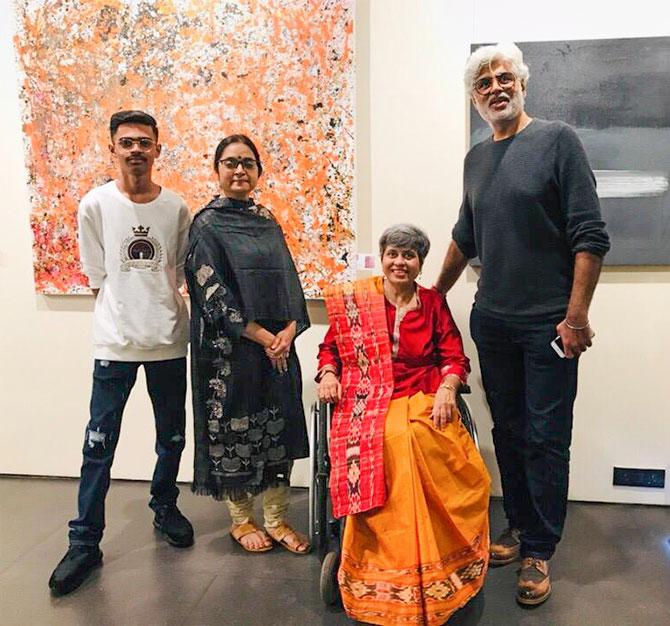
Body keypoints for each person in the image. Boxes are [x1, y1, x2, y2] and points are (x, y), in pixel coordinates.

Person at [435, 43, 611, 606]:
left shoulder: (558, 142)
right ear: (474, 98)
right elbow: (466, 234)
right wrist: (432, 296)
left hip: (549, 327)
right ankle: (517, 524)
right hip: (494, 321)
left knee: (546, 437)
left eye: (503, 77)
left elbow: (590, 234)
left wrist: (575, 316)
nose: (494, 87)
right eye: (483, 82)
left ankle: (539, 547)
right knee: (508, 431)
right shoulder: (476, 158)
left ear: (523, 84)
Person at [48, 110, 193, 596]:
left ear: (157, 149)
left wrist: (157, 313)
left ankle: (164, 505)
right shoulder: (94, 205)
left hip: (169, 340)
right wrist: (119, 321)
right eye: (126, 142)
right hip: (115, 343)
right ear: (112, 148)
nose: (135, 150)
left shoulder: (176, 207)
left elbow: (177, 272)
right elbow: (97, 278)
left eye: (144, 142)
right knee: (98, 445)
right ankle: (84, 542)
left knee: (171, 438)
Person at [317, 224, 490, 625]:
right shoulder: (359, 299)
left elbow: (454, 356)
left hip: (422, 392)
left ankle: (440, 556)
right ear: (383, 257)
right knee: (393, 438)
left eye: (409, 256)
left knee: (423, 438)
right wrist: (328, 374)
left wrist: (449, 387)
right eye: (393, 253)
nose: (400, 262)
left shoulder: (431, 303)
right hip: (366, 393)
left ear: (420, 263)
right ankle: (381, 556)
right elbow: (331, 348)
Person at [185, 134, 311, 554]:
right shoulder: (206, 225)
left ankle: (277, 519)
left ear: (258, 171)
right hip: (231, 352)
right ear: (217, 170)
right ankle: (242, 521)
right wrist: (259, 335)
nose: (240, 170)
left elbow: (289, 278)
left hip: (278, 349)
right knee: (236, 433)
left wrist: (290, 331)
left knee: (278, 429)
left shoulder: (267, 221)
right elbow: (211, 291)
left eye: (247, 163)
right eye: (230, 162)